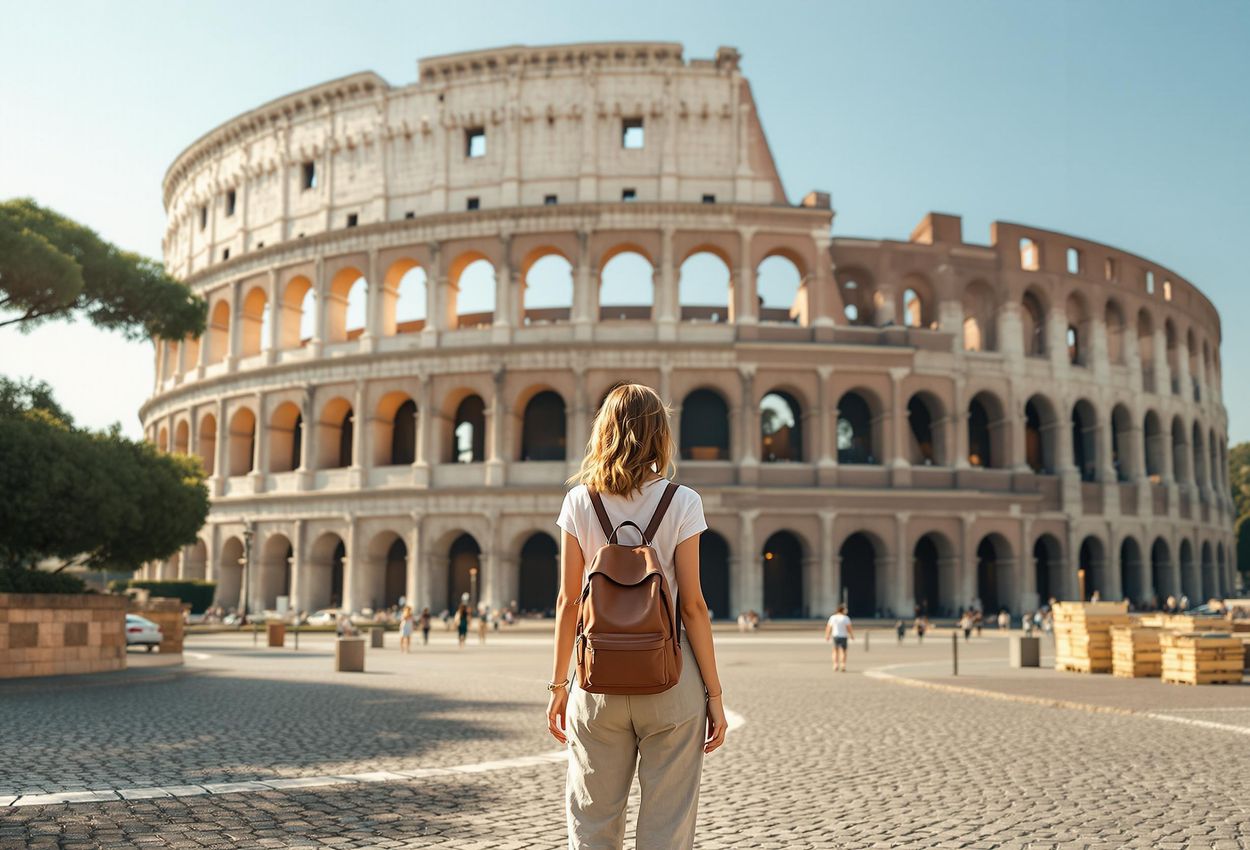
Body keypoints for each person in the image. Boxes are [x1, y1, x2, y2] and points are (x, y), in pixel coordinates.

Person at [545, 383, 725, 850]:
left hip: (596, 678)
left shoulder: (579, 501)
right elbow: (693, 606)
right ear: (660, 435)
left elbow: (567, 602)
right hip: (671, 676)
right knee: (668, 826)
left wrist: (558, 686)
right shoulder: (683, 501)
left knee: (592, 822)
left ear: (603, 432)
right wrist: (716, 694)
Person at [824, 605, 854, 672]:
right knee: (843, 651)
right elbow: (849, 628)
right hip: (843, 636)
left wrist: (827, 635)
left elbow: (829, 627)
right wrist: (852, 635)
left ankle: (835, 665)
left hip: (835, 636)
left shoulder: (833, 617)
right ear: (843, 610)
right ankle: (843, 665)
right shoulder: (846, 618)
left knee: (835, 651)